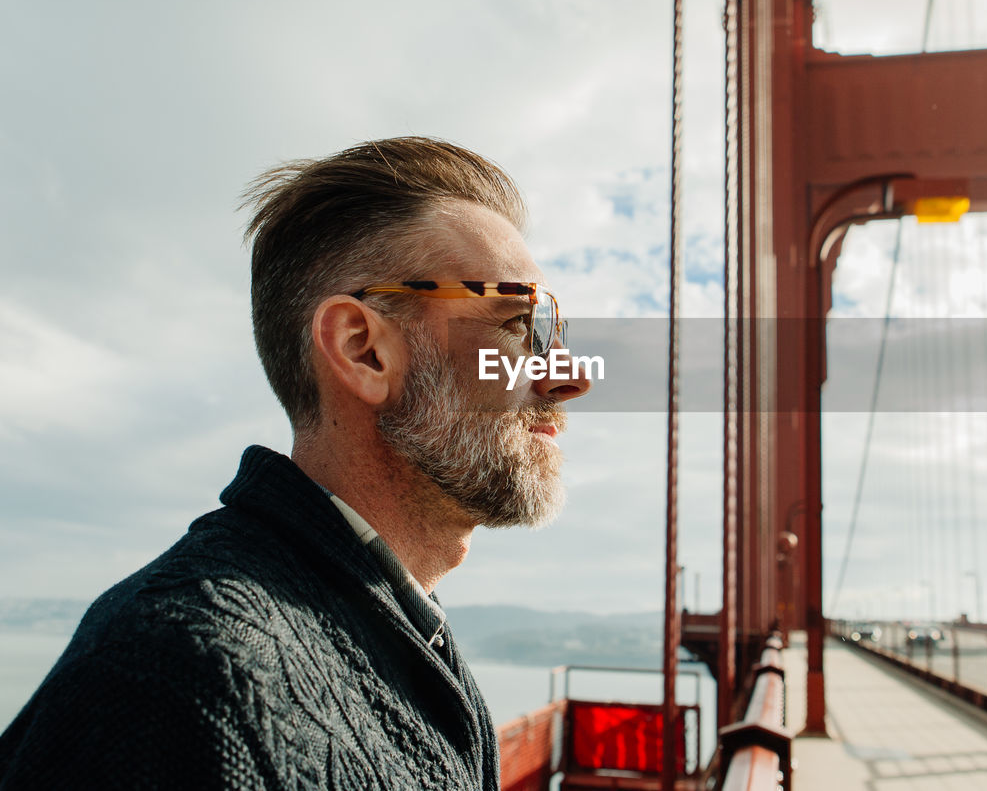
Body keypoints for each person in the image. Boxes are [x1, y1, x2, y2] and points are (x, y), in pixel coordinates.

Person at [0, 137, 591, 789]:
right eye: (516, 325)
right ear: (362, 349)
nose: (567, 375)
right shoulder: (186, 670)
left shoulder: (400, 629)